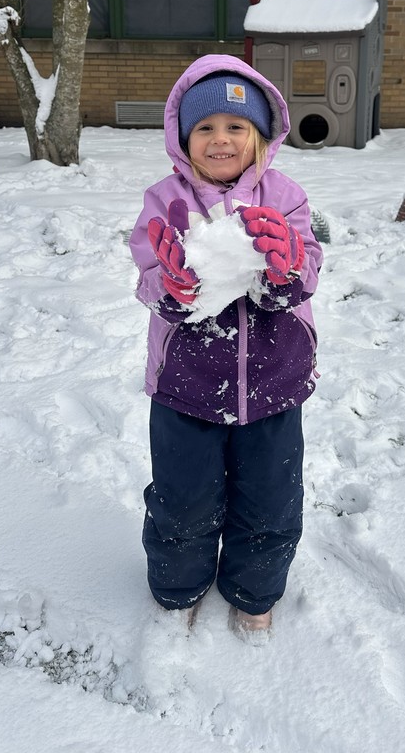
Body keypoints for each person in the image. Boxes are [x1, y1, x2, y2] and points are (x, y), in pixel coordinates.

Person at [129, 54, 322, 638]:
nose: (220, 139)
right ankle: (179, 587)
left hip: (273, 383)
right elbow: (146, 275)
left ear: (261, 136)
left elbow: (308, 268)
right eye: (205, 128)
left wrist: (286, 265)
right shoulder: (168, 201)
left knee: (270, 499)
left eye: (235, 127)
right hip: (185, 385)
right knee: (183, 499)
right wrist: (174, 283)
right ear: (183, 138)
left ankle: (254, 589)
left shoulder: (285, 195)